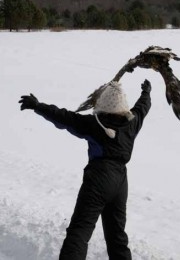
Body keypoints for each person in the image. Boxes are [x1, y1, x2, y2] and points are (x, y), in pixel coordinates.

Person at [19, 79, 151, 260]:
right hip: (121, 183)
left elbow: (64, 117)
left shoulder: (95, 124)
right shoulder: (132, 123)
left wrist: (38, 106)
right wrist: (146, 92)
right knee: (117, 237)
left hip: (99, 179)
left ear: (104, 105)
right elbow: (142, 107)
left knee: (79, 231)